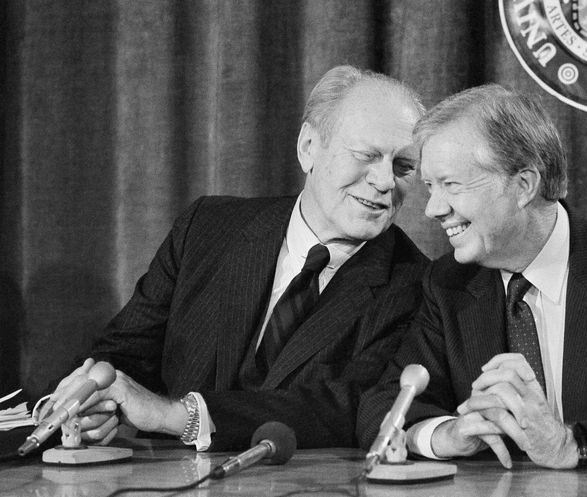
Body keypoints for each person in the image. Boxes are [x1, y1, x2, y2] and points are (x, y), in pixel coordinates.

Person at [47, 65, 429, 452]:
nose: (384, 182)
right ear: (308, 147)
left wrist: (176, 416)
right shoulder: (207, 228)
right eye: (367, 155)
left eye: (403, 166)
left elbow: (348, 408)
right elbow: (123, 354)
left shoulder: (416, 286)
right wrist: (89, 401)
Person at [357, 84, 587, 471]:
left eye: (451, 185)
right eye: (430, 187)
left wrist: (573, 445)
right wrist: (446, 434)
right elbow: (385, 402)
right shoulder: (449, 283)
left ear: (524, 186)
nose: (433, 209)